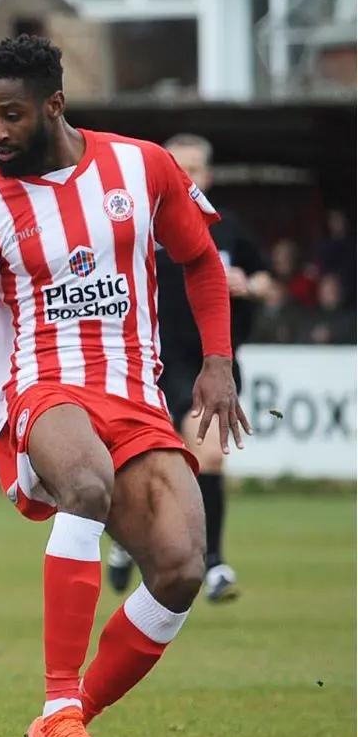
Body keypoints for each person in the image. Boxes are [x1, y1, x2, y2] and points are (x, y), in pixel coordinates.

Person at [0, 35, 247, 737]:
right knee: (88, 486)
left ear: (54, 106)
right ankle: (62, 697)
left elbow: (199, 259)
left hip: (136, 395)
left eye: (11, 115)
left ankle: (60, 728)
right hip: (42, 394)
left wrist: (219, 361)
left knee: (179, 568)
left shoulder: (143, 166)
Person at [106, 134, 278, 603]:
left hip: (212, 363)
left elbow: (268, 281)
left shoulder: (228, 231)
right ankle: (127, 540)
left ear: (209, 175)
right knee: (142, 464)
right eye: (178, 168)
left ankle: (215, 562)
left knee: (210, 456)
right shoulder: (137, 226)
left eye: (196, 169)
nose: (188, 178)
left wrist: (250, 283)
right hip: (148, 362)